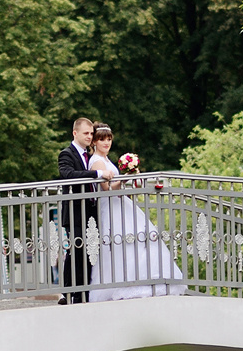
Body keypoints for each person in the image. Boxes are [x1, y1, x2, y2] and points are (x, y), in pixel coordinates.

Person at [85, 123, 186, 301]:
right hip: (110, 206)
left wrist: (131, 175)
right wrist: (125, 177)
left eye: (109, 139)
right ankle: (122, 284)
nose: (106, 143)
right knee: (121, 242)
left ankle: (141, 280)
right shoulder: (97, 161)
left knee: (137, 237)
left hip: (119, 203)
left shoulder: (107, 160)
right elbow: (108, 188)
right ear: (94, 142)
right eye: (102, 139)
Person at [54, 115, 107, 304]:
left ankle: (83, 292)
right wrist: (97, 173)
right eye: (86, 133)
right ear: (75, 133)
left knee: (88, 252)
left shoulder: (90, 156)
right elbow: (68, 174)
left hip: (91, 211)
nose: (89, 136)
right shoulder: (66, 154)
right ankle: (67, 293)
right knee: (75, 250)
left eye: (91, 133)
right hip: (75, 211)